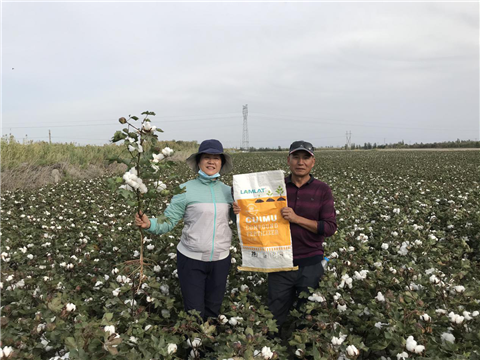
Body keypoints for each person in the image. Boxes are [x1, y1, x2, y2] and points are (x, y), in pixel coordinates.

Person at [233, 140, 337, 334]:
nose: (300, 162)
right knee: (274, 316)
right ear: (288, 160)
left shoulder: (322, 190)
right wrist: (240, 208)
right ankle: (273, 351)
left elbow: (330, 227)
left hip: (311, 263)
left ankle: (302, 350)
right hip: (279, 261)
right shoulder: (275, 188)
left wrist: (297, 219)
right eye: (296, 157)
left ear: (313, 162)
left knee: (308, 317)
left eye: (306, 158)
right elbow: (254, 208)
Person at [135, 139, 234, 321]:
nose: (211, 162)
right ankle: (194, 345)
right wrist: (150, 224)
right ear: (198, 162)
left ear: (222, 163)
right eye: (206, 157)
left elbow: (238, 221)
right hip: (191, 260)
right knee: (194, 312)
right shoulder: (185, 189)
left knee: (213, 309)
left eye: (216, 158)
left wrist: (241, 212)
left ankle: (208, 346)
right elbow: (170, 220)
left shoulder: (229, 192)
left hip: (221, 259)